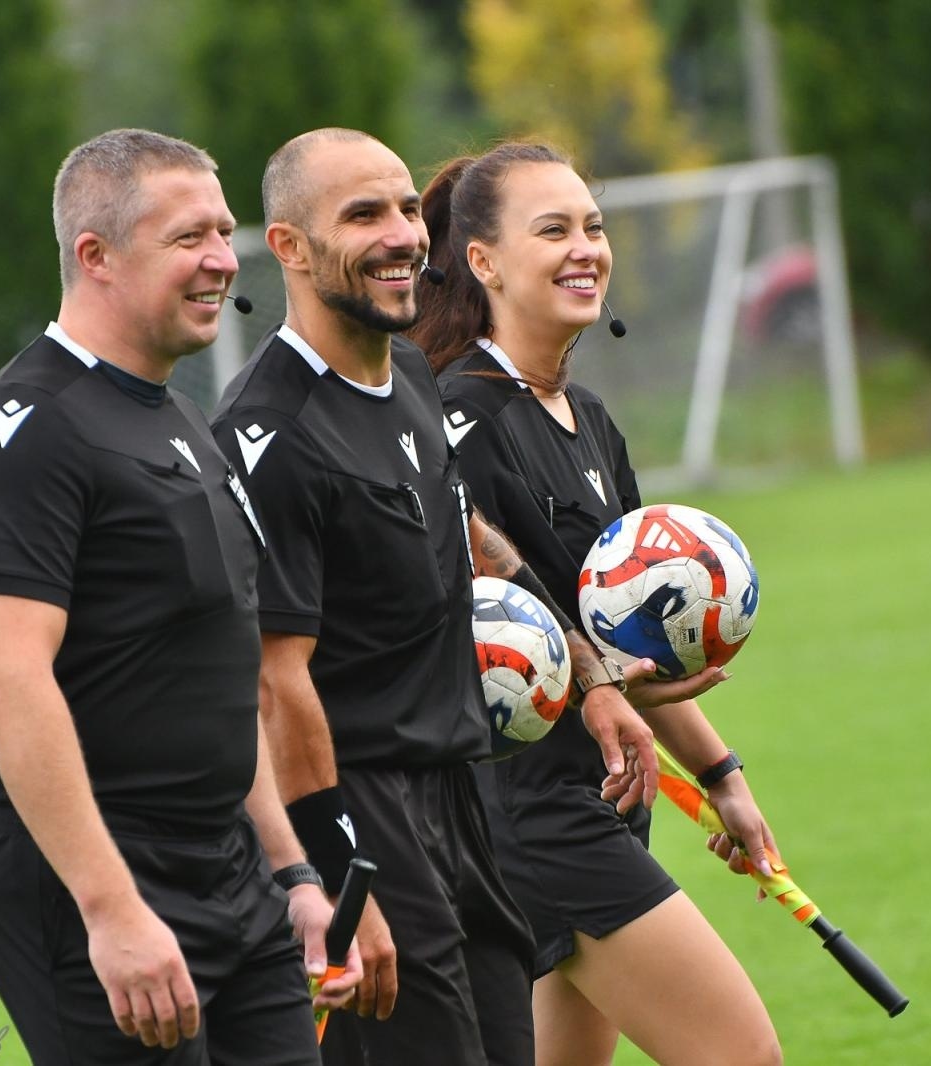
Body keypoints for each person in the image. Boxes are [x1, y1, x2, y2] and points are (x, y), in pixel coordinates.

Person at [209, 128, 656, 1066]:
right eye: (362, 214)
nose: (403, 234)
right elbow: (274, 683)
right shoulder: (266, 430)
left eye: (408, 208)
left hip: (468, 800)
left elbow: (469, 540)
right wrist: (335, 874)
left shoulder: (410, 372)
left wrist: (594, 675)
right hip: (366, 815)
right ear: (287, 247)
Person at [0, 128, 359, 1066]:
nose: (222, 258)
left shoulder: (175, 413)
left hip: (233, 876)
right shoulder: (27, 431)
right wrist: (110, 908)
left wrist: (290, 868)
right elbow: (8, 681)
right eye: (188, 238)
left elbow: (216, 678)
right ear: (96, 256)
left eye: (223, 231)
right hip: (95, 882)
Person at [409, 142, 786, 1066]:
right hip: (529, 811)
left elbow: (629, 646)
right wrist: (600, 692)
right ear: (483, 262)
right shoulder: (459, 420)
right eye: (554, 230)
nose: (586, 248)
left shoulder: (592, 422)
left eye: (594, 226)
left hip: (613, 790)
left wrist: (724, 776)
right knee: (745, 1055)